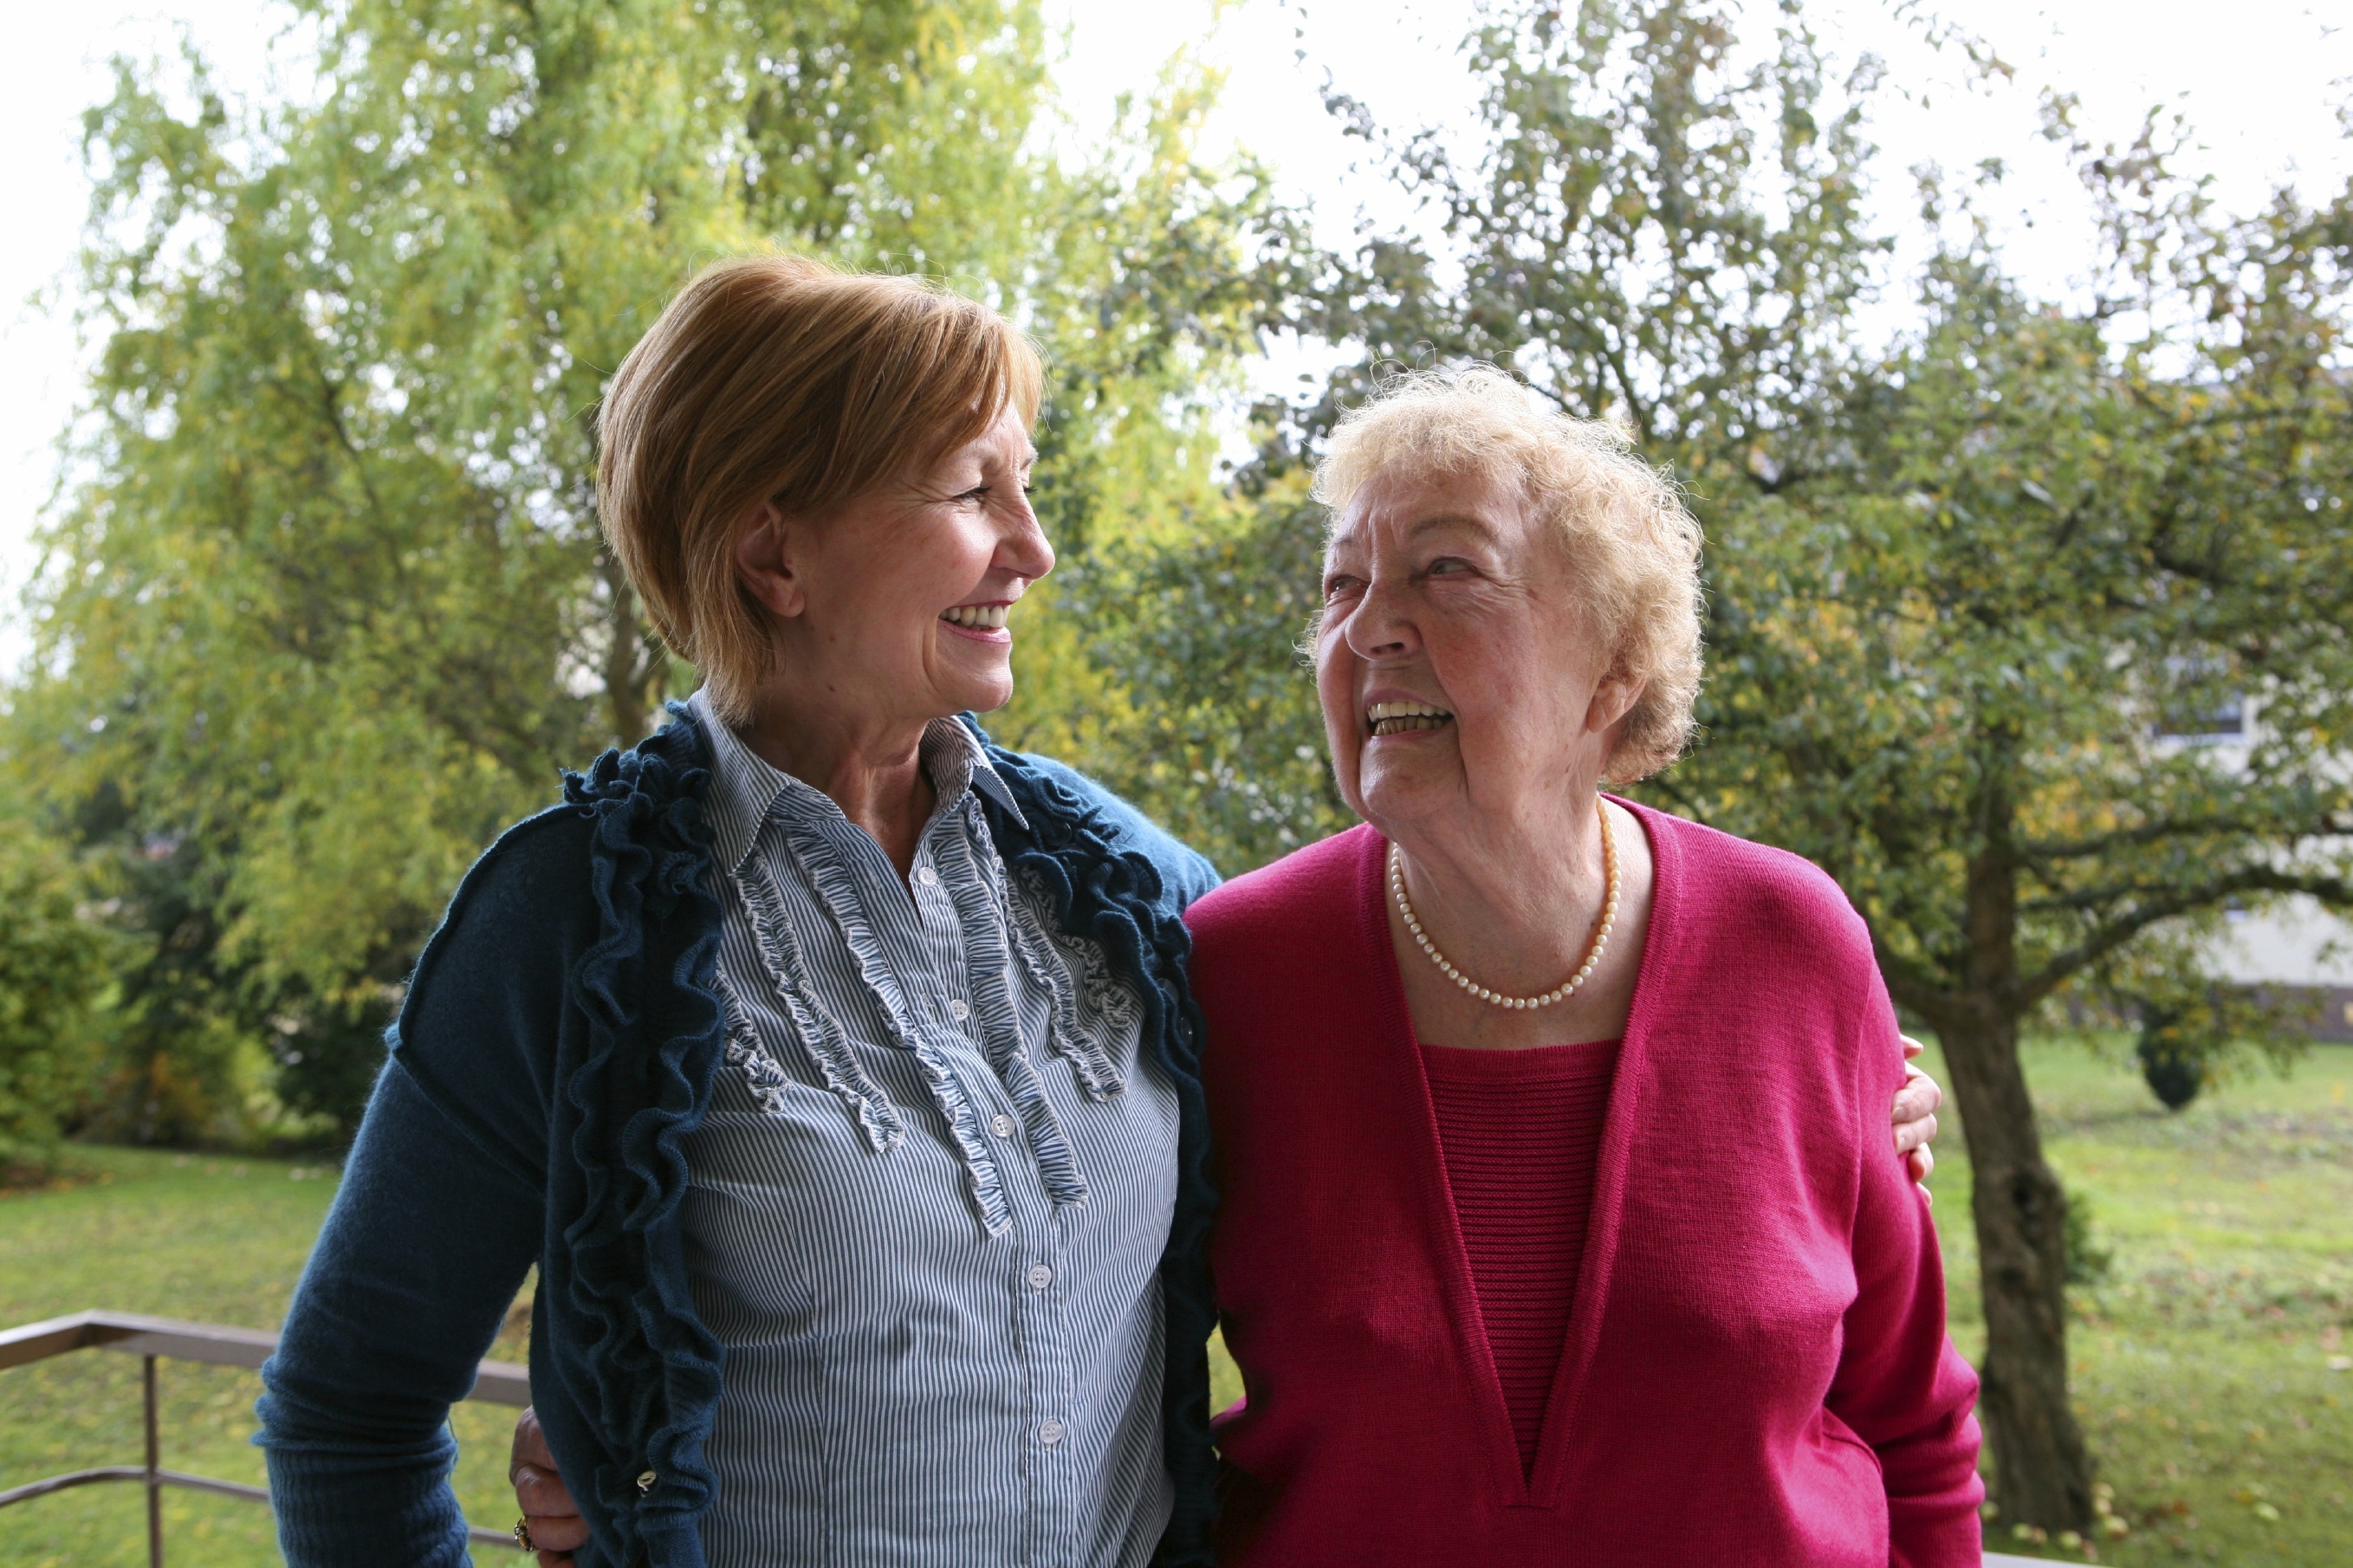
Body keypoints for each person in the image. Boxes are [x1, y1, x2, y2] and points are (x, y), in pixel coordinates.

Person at [256, 255, 1941, 1568]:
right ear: (777, 554)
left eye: (1026, 482)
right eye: (970, 488)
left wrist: (1837, 1092)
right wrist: (600, 1451)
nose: (1034, 544)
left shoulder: (1118, 885)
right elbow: (349, 1396)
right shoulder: (570, 919)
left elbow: (1425, 1038)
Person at [1187, 369, 1983, 1565]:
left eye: (1445, 570)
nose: (1367, 628)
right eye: (1341, 585)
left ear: (1611, 667)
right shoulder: (1235, 971)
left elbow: (1913, 1426)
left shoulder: (1792, 943)